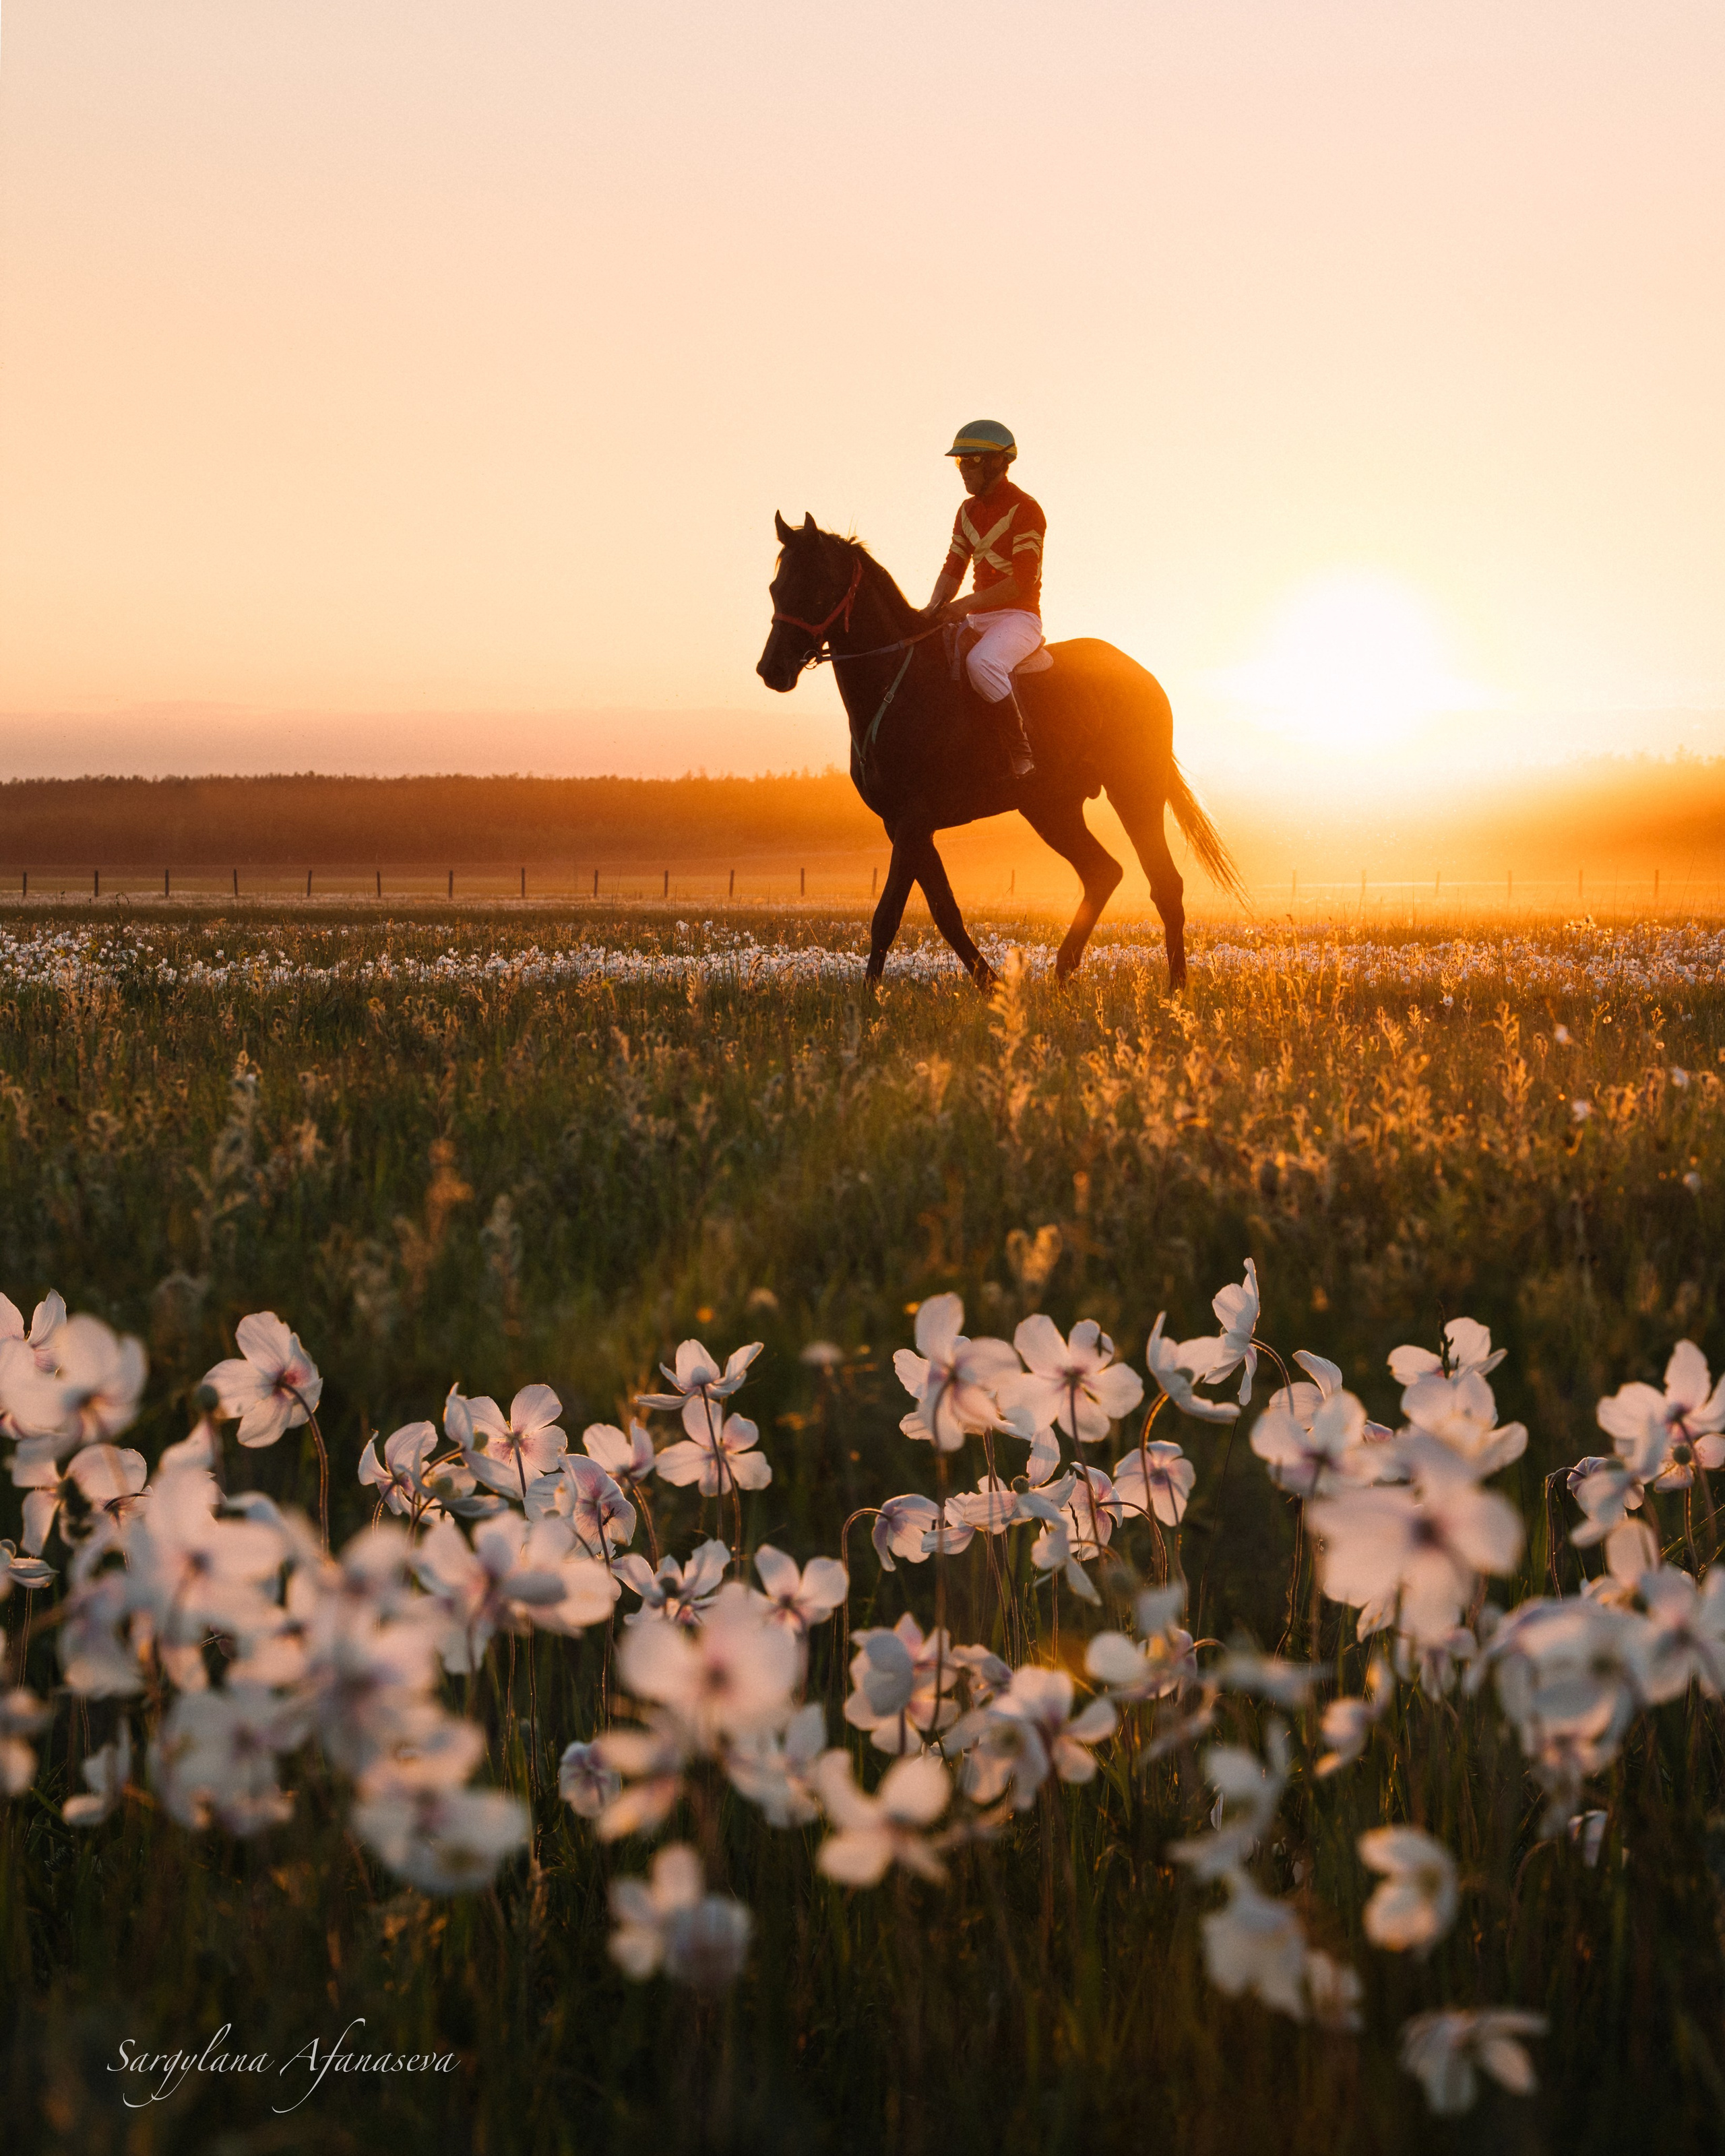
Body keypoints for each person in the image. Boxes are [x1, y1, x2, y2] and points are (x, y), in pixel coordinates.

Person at [918, 420, 1043, 778]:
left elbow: (1022, 582)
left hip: (1019, 618)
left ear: (994, 463)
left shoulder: (1026, 509)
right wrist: (933, 607)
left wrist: (964, 606)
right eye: (959, 463)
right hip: (977, 618)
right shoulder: (966, 510)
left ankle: (1022, 753)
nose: (962, 471)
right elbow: (953, 567)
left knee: (982, 663)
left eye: (968, 462)